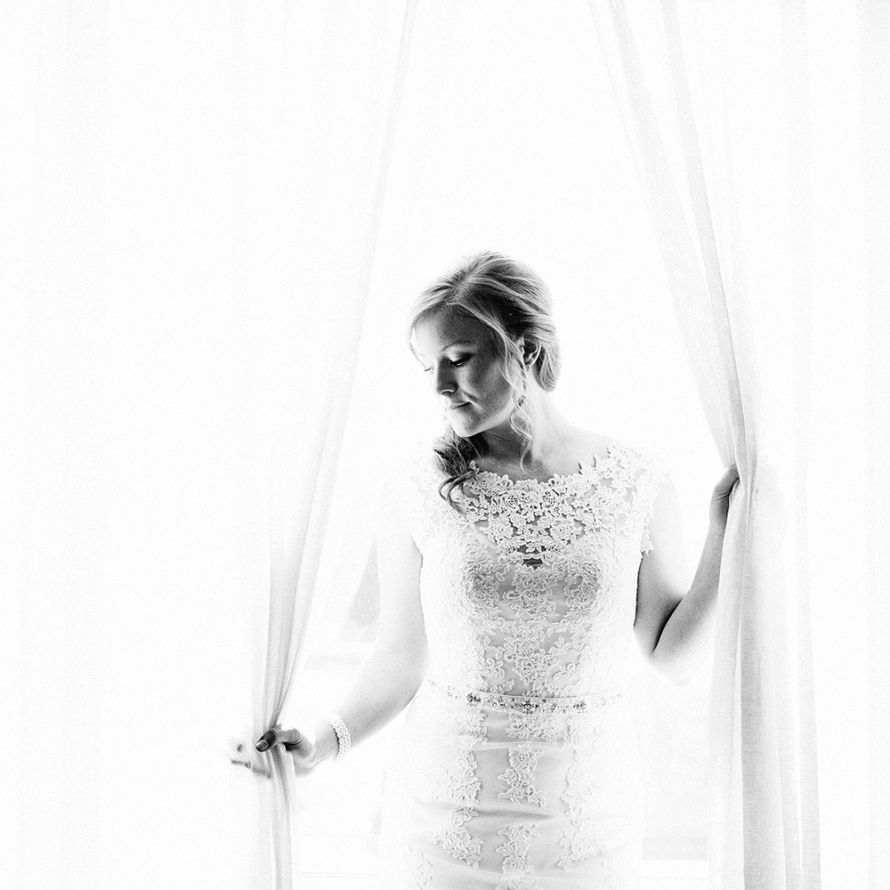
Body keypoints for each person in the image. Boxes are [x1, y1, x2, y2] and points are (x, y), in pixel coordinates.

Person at [255, 250, 739, 889]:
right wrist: (323, 741)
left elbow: (673, 657)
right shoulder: (417, 487)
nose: (439, 385)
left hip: (588, 822)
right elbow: (399, 657)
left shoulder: (635, 481)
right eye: (429, 366)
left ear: (526, 350)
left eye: (458, 358)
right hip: (446, 821)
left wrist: (725, 535)